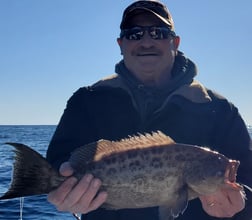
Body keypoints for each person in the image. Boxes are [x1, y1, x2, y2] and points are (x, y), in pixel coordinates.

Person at [46, 0, 252, 219]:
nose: (146, 42)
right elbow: (58, 162)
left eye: (158, 33)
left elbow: (249, 182)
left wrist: (242, 205)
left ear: (175, 42)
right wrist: (61, 185)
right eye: (134, 34)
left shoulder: (220, 110)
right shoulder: (86, 101)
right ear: (120, 44)